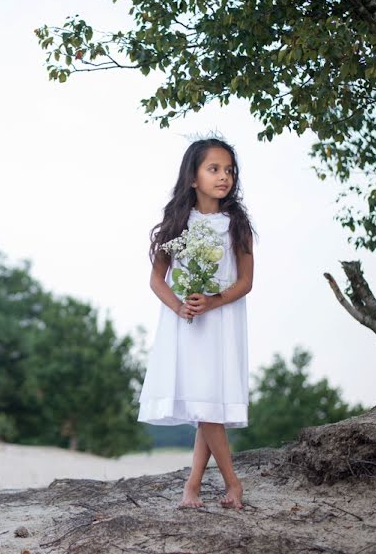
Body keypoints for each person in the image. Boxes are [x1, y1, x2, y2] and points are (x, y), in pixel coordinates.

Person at [138, 137, 257, 511]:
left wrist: (211, 302)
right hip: (187, 324)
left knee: (209, 407)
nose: (224, 177)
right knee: (205, 406)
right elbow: (158, 279)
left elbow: (245, 282)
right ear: (193, 177)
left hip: (220, 322)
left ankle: (197, 487)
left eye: (229, 170)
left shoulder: (236, 225)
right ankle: (221, 485)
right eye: (214, 169)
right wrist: (180, 306)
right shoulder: (177, 223)